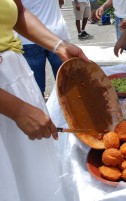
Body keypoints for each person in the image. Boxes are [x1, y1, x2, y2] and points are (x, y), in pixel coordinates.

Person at [0, 0, 89, 200]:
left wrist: (58, 44)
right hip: (7, 102)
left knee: (34, 176)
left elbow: (18, 11)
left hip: (15, 79)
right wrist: (17, 109)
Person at [19, 0, 71, 97]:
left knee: (36, 88)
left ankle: (42, 109)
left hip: (30, 36)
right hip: (56, 34)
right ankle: (66, 110)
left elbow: (16, 10)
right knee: (66, 84)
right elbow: (61, 2)